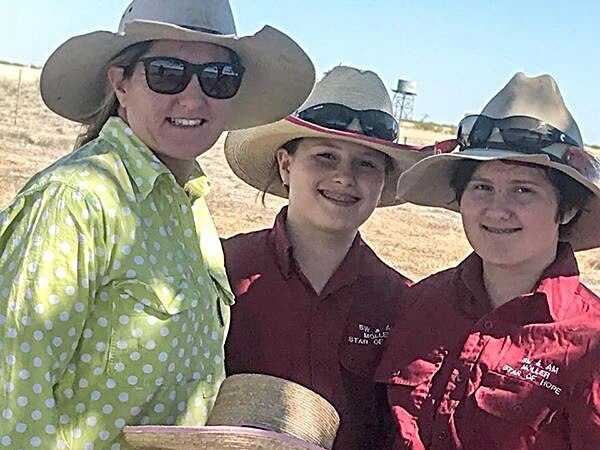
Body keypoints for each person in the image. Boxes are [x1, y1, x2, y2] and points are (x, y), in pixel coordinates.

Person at [0, 0, 314, 448]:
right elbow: (12, 393)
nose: (192, 97)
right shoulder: (75, 201)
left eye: (218, 78)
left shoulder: (188, 204)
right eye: (167, 72)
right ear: (120, 83)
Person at [375, 73, 600, 450]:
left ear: (568, 209)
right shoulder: (418, 302)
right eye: (482, 187)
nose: (498, 209)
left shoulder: (590, 342)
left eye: (523, 190)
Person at [222, 65, 428, 450]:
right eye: (325, 156)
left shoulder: (401, 300)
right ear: (286, 165)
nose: (344, 177)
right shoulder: (222, 270)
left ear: (383, 182)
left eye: (366, 163)